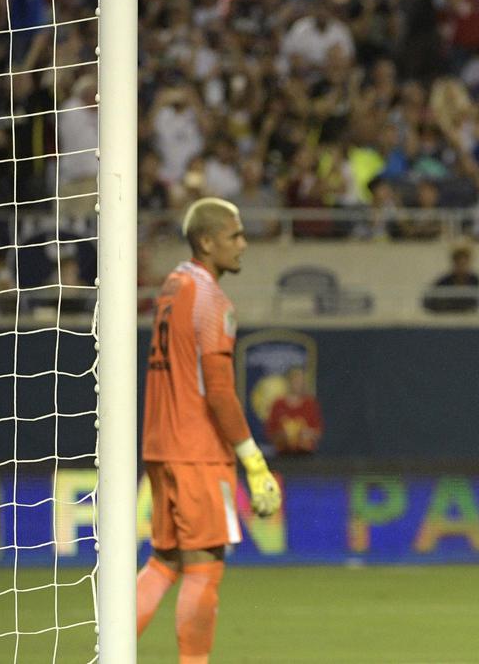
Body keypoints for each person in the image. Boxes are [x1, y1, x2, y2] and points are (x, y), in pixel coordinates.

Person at [136, 198, 282, 663]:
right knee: (205, 567)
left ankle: (109, 653)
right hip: (196, 449)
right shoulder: (213, 301)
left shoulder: (172, 286)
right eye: (235, 235)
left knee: (165, 562)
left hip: (160, 446)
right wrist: (254, 462)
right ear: (207, 241)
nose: (243, 244)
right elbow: (218, 392)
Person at [264, 365, 324, 455]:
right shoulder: (278, 404)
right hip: (283, 454)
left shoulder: (310, 404)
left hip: (305, 454)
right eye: (296, 380)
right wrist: (284, 436)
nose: (299, 384)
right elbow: (270, 432)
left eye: (301, 381)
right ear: (289, 381)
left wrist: (306, 434)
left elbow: (317, 431)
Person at [423, 244, 479, 313]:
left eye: (464, 264)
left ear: (469, 263)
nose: (462, 268)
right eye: (459, 264)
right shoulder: (443, 282)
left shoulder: (475, 280)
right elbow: (427, 301)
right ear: (454, 263)